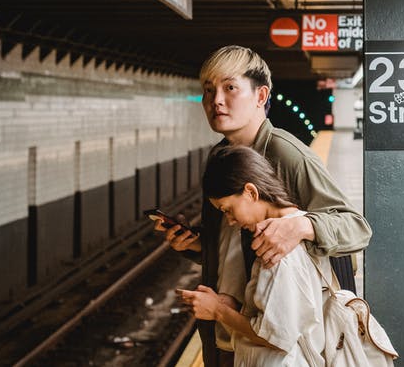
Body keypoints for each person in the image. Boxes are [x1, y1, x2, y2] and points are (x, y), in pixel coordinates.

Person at [158, 45, 372, 367]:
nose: (216, 100)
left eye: (230, 88)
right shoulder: (221, 158)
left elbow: (356, 227)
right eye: (208, 90)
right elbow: (236, 242)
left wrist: (303, 225)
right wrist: (198, 244)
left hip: (278, 345)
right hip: (230, 334)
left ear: (261, 96)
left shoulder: (287, 155)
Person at [177, 144, 332, 367]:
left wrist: (218, 311)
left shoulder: (279, 246)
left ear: (251, 192)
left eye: (228, 209)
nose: (230, 221)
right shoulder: (292, 227)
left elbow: (278, 336)